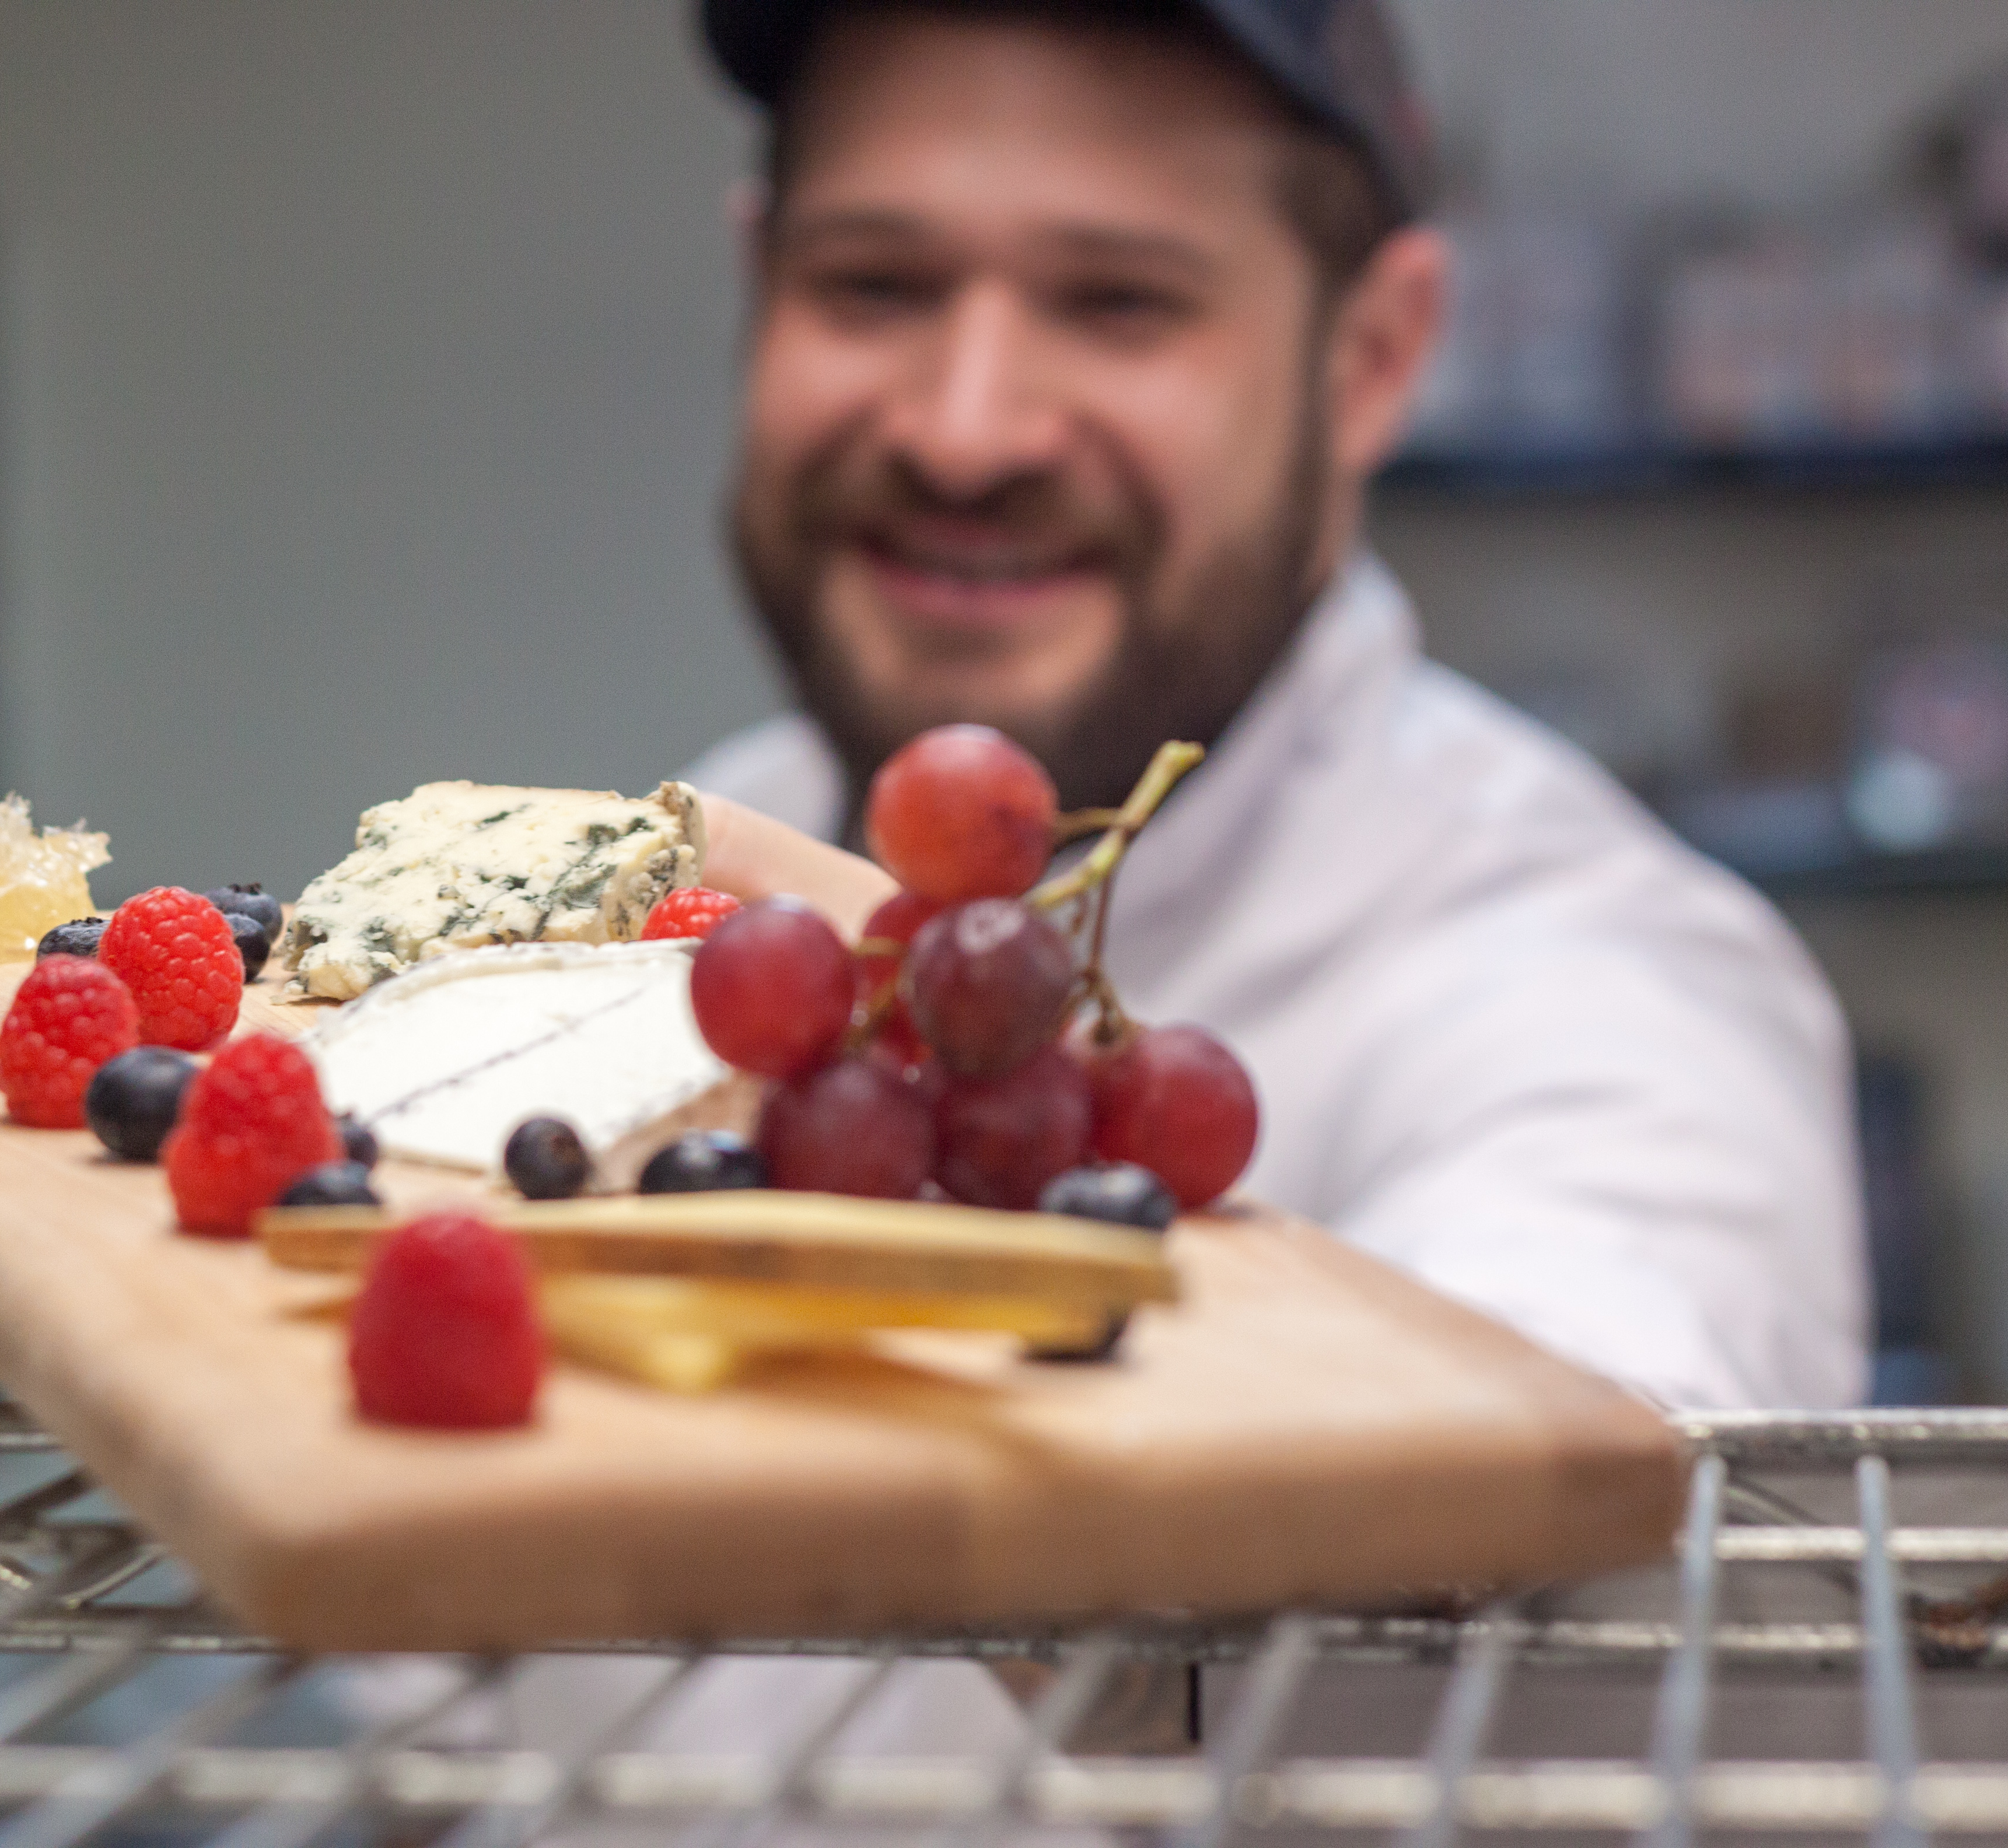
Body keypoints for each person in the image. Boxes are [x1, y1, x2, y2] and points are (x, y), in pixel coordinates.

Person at [680, 0, 1866, 1412]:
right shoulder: (721, 852)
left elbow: (1541, 1493)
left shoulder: (1607, 1003)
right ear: (760, 284)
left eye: (1118, 302)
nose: (966, 430)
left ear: (1369, 361)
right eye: (874, 284)